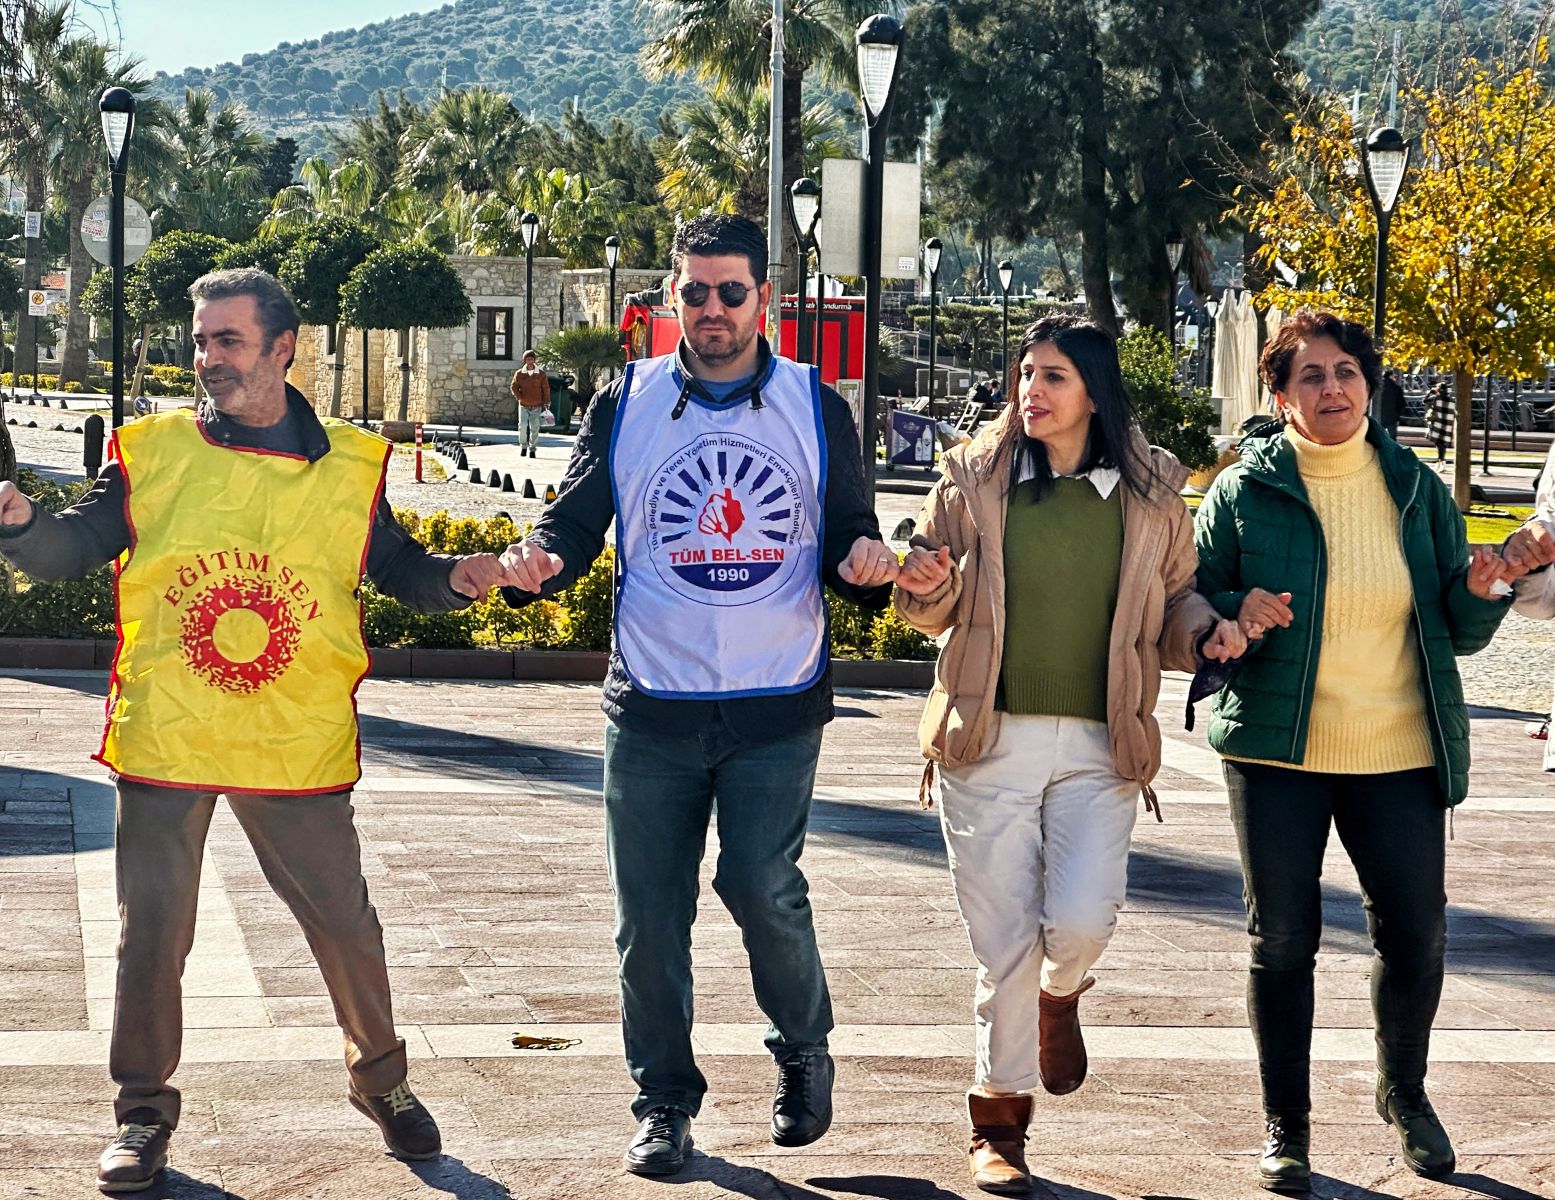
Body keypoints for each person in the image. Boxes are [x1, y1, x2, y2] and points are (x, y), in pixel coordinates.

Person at [0, 268, 512, 1194]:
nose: (208, 358)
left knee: (345, 925)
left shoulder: (351, 463)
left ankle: (382, 1083)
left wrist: (455, 580)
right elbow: (74, 547)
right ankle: (142, 1112)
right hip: (171, 732)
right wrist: (21, 522)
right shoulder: (154, 451)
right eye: (201, 341)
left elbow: (398, 567)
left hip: (294, 736)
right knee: (151, 936)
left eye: (227, 341)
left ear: (283, 348)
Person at [496, 214, 897, 1177]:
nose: (711, 309)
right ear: (670, 298)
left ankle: (801, 1047)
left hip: (775, 703)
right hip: (652, 703)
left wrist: (865, 562)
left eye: (730, 292)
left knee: (762, 886)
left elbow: (846, 530)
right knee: (648, 917)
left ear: (764, 299)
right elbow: (576, 521)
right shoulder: (624, 398)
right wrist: (539, 560)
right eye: (694, 292)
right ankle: (664, 1101)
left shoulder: (814, 403)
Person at [893, 314, 1246, 1195]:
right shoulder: (973, 478)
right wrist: (924, 586)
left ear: (1094, 391)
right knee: (1003, 943)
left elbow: (1176, 602)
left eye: (1052, 376)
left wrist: (1207, 633)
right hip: (985, 737)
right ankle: (997, 1121)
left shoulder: (1151, 492)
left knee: (1080, 922)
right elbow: (926, 604)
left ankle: (1061, 993)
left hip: (1102, 741)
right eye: (1025, 374)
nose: (1031, 391)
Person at [1193, 309, 1515, 1193]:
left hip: (1398, 751)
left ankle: (1402, 1091)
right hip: (1276, 754)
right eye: (1310, 375)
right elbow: (1191, 603)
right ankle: (1285, 1126)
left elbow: (1456, 625)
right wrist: (1233, 615)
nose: (1330, 388)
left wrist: (1481, 589)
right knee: (1280, 941)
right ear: (1279, 394)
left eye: (1345, 372)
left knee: (1415, 934)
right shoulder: (1240, 492)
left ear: (1368, 385)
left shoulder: (1412, 486)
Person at [510, 349, 550, 457]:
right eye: (528, 359)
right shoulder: (519, 374)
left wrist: (546, 401)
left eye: (532, 359)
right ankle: (523, 447)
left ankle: (532, 449)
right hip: (523, 405)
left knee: (535, 428)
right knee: (522, 426)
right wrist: (519, 397)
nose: (530, 361)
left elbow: (546, 388)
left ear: (534, 360)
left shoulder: (541, 374)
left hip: (537, 405)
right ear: (525, 360)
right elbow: (513, 386)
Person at [1426, 379, 1454, 462]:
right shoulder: (1452, 400)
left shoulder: (1435, 398)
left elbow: (1424, 401)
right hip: (1447, 425)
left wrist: (1430, 392)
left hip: (1437, 424)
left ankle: (1440, 460)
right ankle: (1442, 460)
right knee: (1443, 444)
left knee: (1438, 443)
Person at [1374, 367, 1405, 438]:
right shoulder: (1396, 388)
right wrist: (1398, 415)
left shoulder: (1377, 388)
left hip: (1379, 415)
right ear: (1391, 376)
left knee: (1378, 437)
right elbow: (1401, 404)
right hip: (1392, 417)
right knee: (1392, 437)